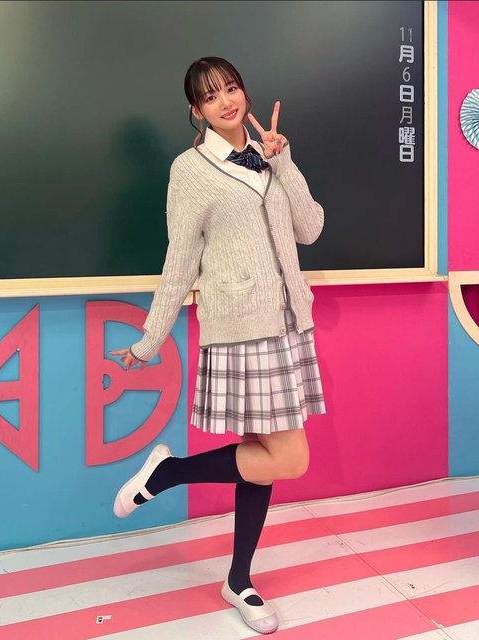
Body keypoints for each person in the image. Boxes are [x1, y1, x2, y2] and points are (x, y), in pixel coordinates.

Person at [110, 56, 326, 635]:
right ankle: (169, 472)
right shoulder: (191, 169)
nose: (226, 101)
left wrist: (285, 162)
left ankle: (238, 579)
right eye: (210, 96)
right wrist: (150, 340)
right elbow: (180, 259)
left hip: (287, 323)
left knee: (264, 457)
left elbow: (310, 229)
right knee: (290, 457)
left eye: (231, 88)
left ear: (244, 92)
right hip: (241, 327)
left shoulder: (269, 156)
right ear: (196, 110)